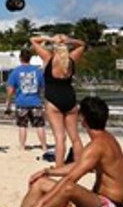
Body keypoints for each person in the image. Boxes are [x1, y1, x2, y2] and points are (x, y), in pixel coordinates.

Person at [0, 97, 123, 207]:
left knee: (68, 188)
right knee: (40, 182)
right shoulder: (104, 139)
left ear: (84, 120)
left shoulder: (97, 146)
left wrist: (43, 202)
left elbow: (70, 179)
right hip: (96, 201)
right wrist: (48, 171)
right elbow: (78, 166)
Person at [31, 34, 85, 166]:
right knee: (75, 137)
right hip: (69, 97)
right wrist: (69, 40)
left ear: (54, 46)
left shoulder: (49, 58)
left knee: (60, 138)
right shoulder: (71, 59)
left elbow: (33, 40)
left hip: (53, 98)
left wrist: (50, 39)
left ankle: (59, 166)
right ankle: (80, 165)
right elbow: (82, 44)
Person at [6, 48, 48, 152]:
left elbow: (10, 90)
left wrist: (8, 103)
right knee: (40, 125)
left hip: (21, 102)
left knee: (22, 126)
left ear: (20, 58)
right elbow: (43, 87)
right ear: (30, 58)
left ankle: (22, 146)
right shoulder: (37, 71)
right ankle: (44, 146)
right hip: (35, 101)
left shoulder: (15, 72)